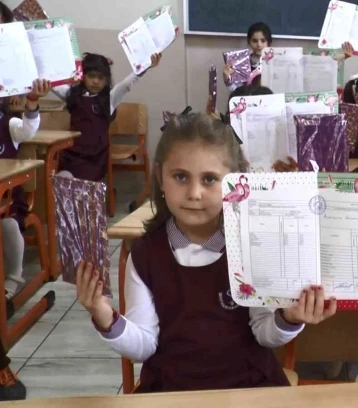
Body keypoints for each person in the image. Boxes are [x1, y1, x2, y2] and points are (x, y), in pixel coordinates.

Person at [76, 113, 337, 392]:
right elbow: (144, 345)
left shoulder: (251, 245)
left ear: (235, 181)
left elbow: (264, 333)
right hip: (171, 389)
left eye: (210, 179)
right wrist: (103, 314)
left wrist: (290, 317)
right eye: (180, 177)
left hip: (248, 387)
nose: (194, 193)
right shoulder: (145, 254)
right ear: (160, 177)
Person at [53, 52, 162, 181]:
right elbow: (52, 83)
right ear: (83, 76)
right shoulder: (73, 96)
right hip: (72, 154)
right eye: (91, 76)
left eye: (101, 78)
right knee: (61, 180)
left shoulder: (109, 99)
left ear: (106, 80)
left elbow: (126, 85)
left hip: (95, 157)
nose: (95, 81)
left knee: (81, 185)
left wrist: (146, 65)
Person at [0, 80, 50, 302]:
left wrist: (31, 102)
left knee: (9, 225)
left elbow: (27, 130)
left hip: (7, 198)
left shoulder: (7, 123)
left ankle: (13, 278)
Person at [223, 22, 272, 91]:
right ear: (249, 42)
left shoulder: (275, 63)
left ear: (269, 42)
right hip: (249, 97)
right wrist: (228, 80)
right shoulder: (242, 63)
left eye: (263, 41)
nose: (259, 44)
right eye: (254, 41)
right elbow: (237, 91)